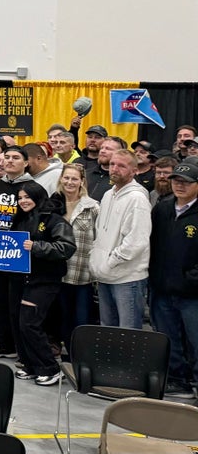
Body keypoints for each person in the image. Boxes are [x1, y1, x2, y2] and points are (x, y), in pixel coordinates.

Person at [9, 181, 75, 385]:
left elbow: (66, 247)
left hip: (43, 280)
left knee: (29, 323)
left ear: (38, 197)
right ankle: (30, 364)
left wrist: (36, 246)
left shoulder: (53, 219)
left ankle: (50, 368)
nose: (23, 201)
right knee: (18, 324)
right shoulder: (19, 219)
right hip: (20, 278)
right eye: (20, 198)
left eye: (27, 197)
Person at [149, 161, 198, 398]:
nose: (179, 185)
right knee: (169, 340)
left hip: (192, 293)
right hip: (162, 289)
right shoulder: (162, 208)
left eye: (186, 182)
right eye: (176, 180)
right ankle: (179, 381)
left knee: (196, 341)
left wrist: (190, 279)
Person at [90, 148, 153, 329]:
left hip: (128, 278)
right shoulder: (108, 195)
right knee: (108, 329)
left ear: (134, 171)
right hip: (105, 276)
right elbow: (99, 233)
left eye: (121, 166)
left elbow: (136, 242)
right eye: (112, 164)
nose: (115, 169)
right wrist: (97, 262)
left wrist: (110, 262)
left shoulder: (137, 198)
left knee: (128, 332)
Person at [0, 145, 35, 357]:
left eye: (16, 158)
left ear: (26, 163)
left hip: (19, 253)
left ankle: (18, 346)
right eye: (7, 157)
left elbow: (38, 219)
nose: (10, 161)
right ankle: (2, 343)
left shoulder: (33, 187)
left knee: (16, 302)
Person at [53, 162, 98, 358]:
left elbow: (99, 238)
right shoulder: (52, 204)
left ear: (82, 182)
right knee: (62, 318)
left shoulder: (93, 207)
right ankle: (66, 356)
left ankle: (80, 357)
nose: (70, 182)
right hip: (58, 272)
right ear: (61, 179)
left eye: (74, 179)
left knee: (81, 319)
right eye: (67, 178)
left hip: (83, 274)